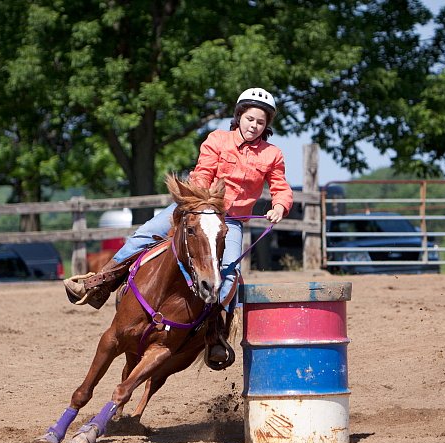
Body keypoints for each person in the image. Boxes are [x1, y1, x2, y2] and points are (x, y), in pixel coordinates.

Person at [64, 87, 293, 363]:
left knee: (230, 270)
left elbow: (280, 186)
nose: (254, 126)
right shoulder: (217, 140)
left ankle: (214, 332)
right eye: (250, 119)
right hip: (195, 208)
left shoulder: (272, 154)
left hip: (229, 222)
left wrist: (279, 206)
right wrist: (200, 204)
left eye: (260, 122)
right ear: (239, 116)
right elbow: (203, 173)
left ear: (266, 126)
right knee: (145, 233)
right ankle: (98, 284)